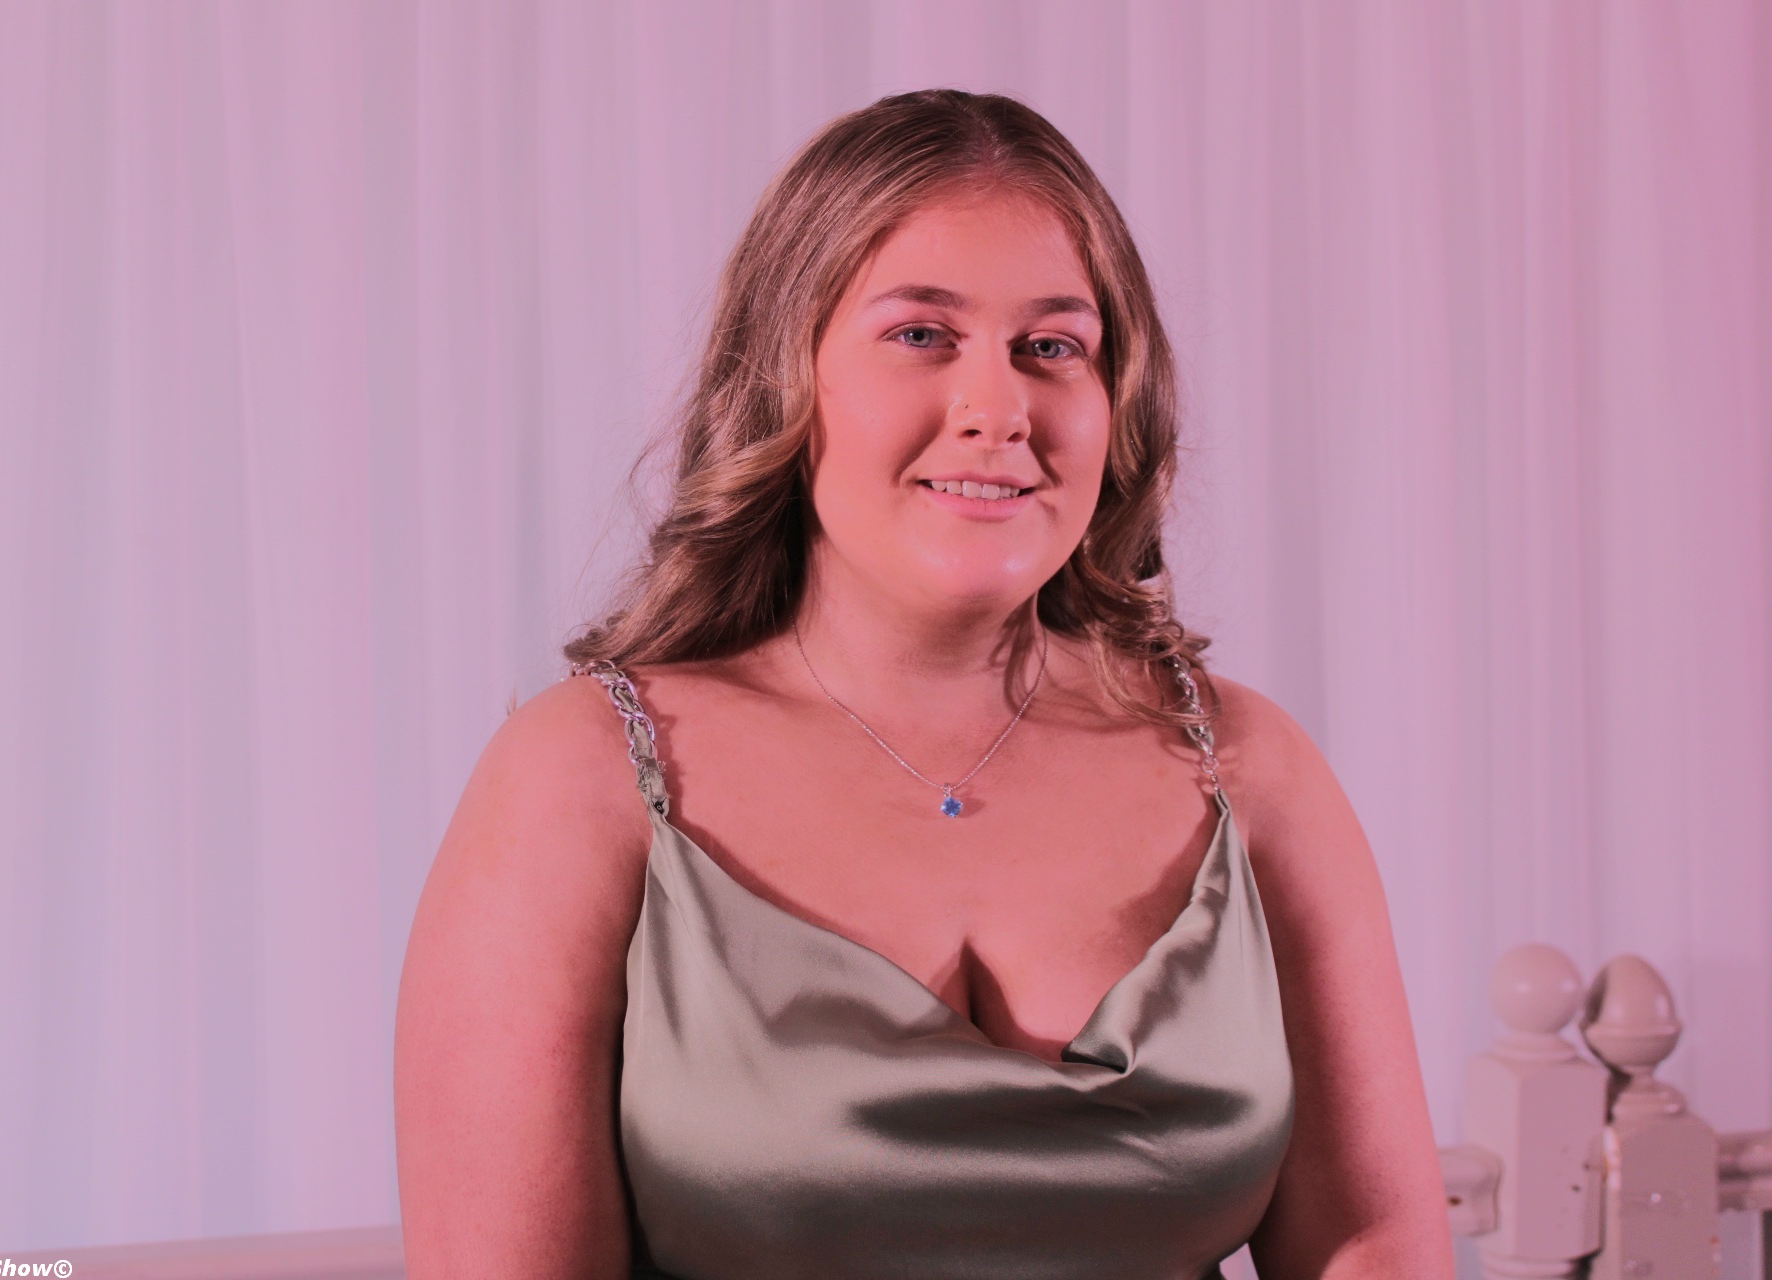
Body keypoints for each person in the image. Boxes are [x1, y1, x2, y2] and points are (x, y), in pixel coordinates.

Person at [394, 89, 1454, 1279]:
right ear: (784, 372)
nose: (997, 410)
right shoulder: (580, 777)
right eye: (921, 334)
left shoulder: (1247, 769)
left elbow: (1375, 1244)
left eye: (1052, 346)